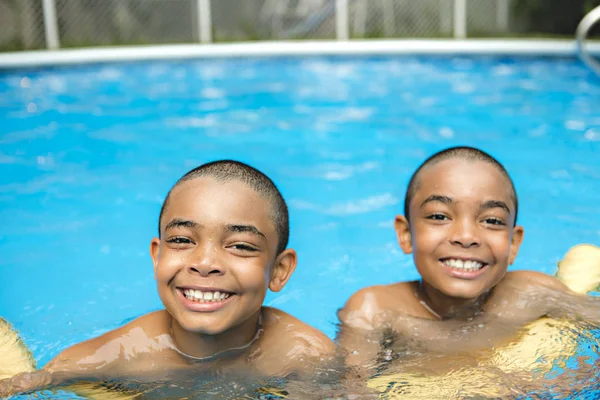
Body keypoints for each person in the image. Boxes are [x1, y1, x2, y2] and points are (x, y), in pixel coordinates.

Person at [1, 160, 335, 399]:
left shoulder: (303, 355)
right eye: (182, 240)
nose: (205, 263)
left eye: (241, 246)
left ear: (279, 270)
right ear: (157, 255)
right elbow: (25, 386)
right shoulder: (117, 356)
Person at [337, 146, 600, 397]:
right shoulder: (376, 310)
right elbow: (348, 389)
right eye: (439, 217)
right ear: (406, 234)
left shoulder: (530, 293)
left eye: (492, 220)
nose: (466, 236)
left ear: (513, 244)